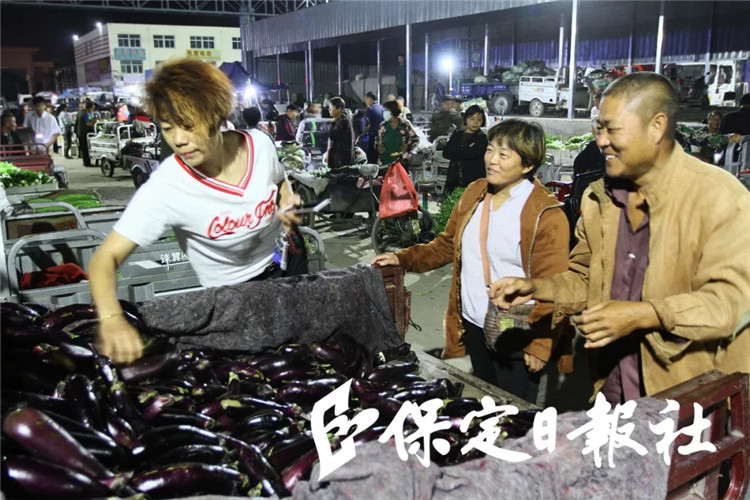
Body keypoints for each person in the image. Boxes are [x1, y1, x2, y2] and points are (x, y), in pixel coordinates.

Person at [490, 73, 750, 404]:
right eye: (598, 128)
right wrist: (537, 287)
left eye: (612, 129)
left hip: (687, 399)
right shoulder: (599, 199)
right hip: (612, 387)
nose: (601, 141)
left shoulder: (720, 197)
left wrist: (644, 315)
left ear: (657, 126)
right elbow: (585, 278)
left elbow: (731, 302)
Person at [88, 58, 302, 364]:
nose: (178, 140)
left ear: (217, 115)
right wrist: (110, 318)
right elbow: (104, 260)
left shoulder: (259, 145)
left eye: (188, 126)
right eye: (167, 128)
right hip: (230, 303)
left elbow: (280, 180)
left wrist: (287, 200)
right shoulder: (167, 186)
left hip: (286, 270)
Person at [373, 119, 572, 401]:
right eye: (490, 150)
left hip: (517, 328)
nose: (492, 160)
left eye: (503, 154)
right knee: (486, 399)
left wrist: (540, 345)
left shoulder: (546, 214)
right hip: (475, 322)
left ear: (527, 165)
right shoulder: (475, 193)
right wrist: (402, 258)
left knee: (514, 410)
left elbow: (555, 286)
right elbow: (446, 245)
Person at [442, 104, 489, 194]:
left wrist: (456, 151)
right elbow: (446, 153)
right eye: (472, 118)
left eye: (479, 119)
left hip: (472, 183)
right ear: (466, 119)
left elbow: (471, 154)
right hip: (453, 182)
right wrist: (465, 149)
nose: (475, 122)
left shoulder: (482, 138)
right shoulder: (457, 135)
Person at [376, 100, 418, 167]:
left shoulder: (405, 124)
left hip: (401, 163)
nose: (384, 113)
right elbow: (377, 141)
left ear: (393, 112)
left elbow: (416, 139)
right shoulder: (382, 126)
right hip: (385, 163)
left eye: (386, 111)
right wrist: (378, 148)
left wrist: (408, 148)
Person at [326, 96, 355, 169]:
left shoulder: (344, 122)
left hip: (341, 161)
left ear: (339, 109)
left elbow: (332, 135)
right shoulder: (340, 120)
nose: (329, 110)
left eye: (331, 108)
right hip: (338, 160)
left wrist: (333, 123)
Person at [364, 91, 384, 163]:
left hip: (373, 137)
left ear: (370, 99)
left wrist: (362, 131)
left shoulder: (370, 109)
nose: (365, 102)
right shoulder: (382, 108)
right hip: (382, 137)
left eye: (366, 99)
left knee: (372, 158)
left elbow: (368, 125)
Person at [76, 101, 97, 166]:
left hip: (79, 133)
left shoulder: (80, 112)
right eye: (92, 108)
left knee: (83, 148)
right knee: (86, 148)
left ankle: (85, 162)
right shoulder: (85, 114)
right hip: (84, 133)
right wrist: (94, 121)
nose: (93, 110)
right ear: (89, 108)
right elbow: (88, 124)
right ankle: (87, 163)